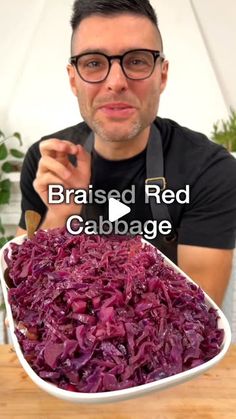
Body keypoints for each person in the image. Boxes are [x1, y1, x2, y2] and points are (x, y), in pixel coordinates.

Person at [16, 0, 236, 306]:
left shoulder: (210, 171)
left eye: (136, 61)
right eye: (93, 63)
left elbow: (199, 319)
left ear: (161, 74)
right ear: (73, 78)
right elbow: (24, 295)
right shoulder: (47, 162)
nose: (116, 83)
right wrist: (60, 215)